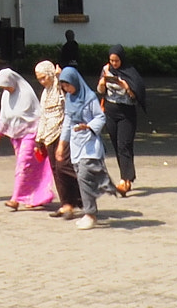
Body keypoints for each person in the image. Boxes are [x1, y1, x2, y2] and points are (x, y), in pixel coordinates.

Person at [56, 65, 111, 230]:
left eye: (67, 85)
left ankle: (90, 214)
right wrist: (61, 144)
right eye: (63, 86)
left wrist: (88, 126)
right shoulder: (69, 100)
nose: (66, 88)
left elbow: (100, 117)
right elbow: (67, 123)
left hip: (90, 144)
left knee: (85, 176)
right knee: (81, 177)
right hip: (75, 144)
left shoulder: (90, 98)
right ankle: (89, 211)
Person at [0, 65, 54, 211]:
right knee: (28, 168)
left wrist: (40, 138)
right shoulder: (6, 96)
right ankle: (34, 196)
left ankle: (15, 199)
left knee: (23, 165)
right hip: (15, 136)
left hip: (31, 133)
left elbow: (37, 116)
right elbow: (3, 117)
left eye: (7, 86)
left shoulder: (26, 94)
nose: (6, 90)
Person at [97, 46, 146, 196]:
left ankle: (126, 180)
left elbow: (136, 95)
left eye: (116, 60)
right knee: (117, 146)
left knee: (124, 144)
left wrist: (126, 87)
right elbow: (100, 91)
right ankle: (126, 177)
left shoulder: (130, 72)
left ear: (122, 59)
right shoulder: (107, 69)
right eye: (111, 60)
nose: (114, 63)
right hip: (111, 112)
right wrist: (103, 81)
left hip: (127, 113)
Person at [30, 61, 74, 214]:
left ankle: (75, 200)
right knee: (55, 170)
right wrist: (39, 139)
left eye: (44, 78)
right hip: (48, 136)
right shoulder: (45, 92)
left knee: (64, 168)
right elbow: (43, 116)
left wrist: (60, 76)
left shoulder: (59, 87)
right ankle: (65, 204)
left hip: (62, 133)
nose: (42, 81)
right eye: (39, 79)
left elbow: (68, 92)